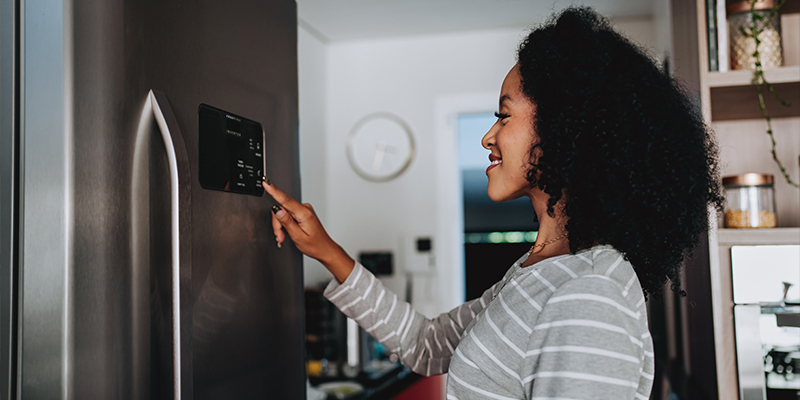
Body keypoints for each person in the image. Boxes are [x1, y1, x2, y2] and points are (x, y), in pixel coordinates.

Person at [263, 7, 723, 399]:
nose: (488, 136)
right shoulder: (537, 271)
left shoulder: (589, 292)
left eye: (504, 115)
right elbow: (424, 343)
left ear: (567, 127)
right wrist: (325, 249)